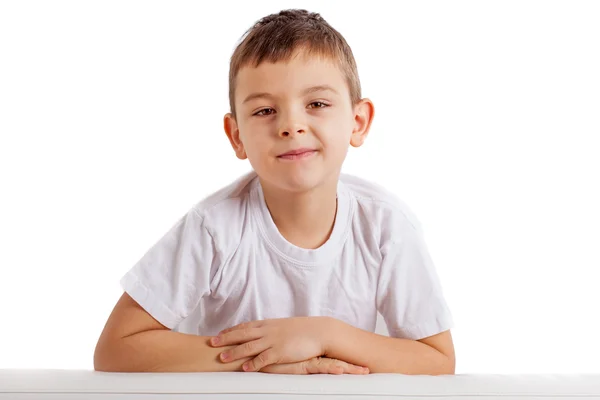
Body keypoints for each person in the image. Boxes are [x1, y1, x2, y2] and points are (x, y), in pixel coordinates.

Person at [93, 8, 456, 375]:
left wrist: (322, 335)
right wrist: (265, 357)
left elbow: (438, 360)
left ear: (358, 122)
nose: (291, 125)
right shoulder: (214, 227)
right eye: (265, 110)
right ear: (237, 137)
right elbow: (115, 348)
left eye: (316, 104)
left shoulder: (387, 227)